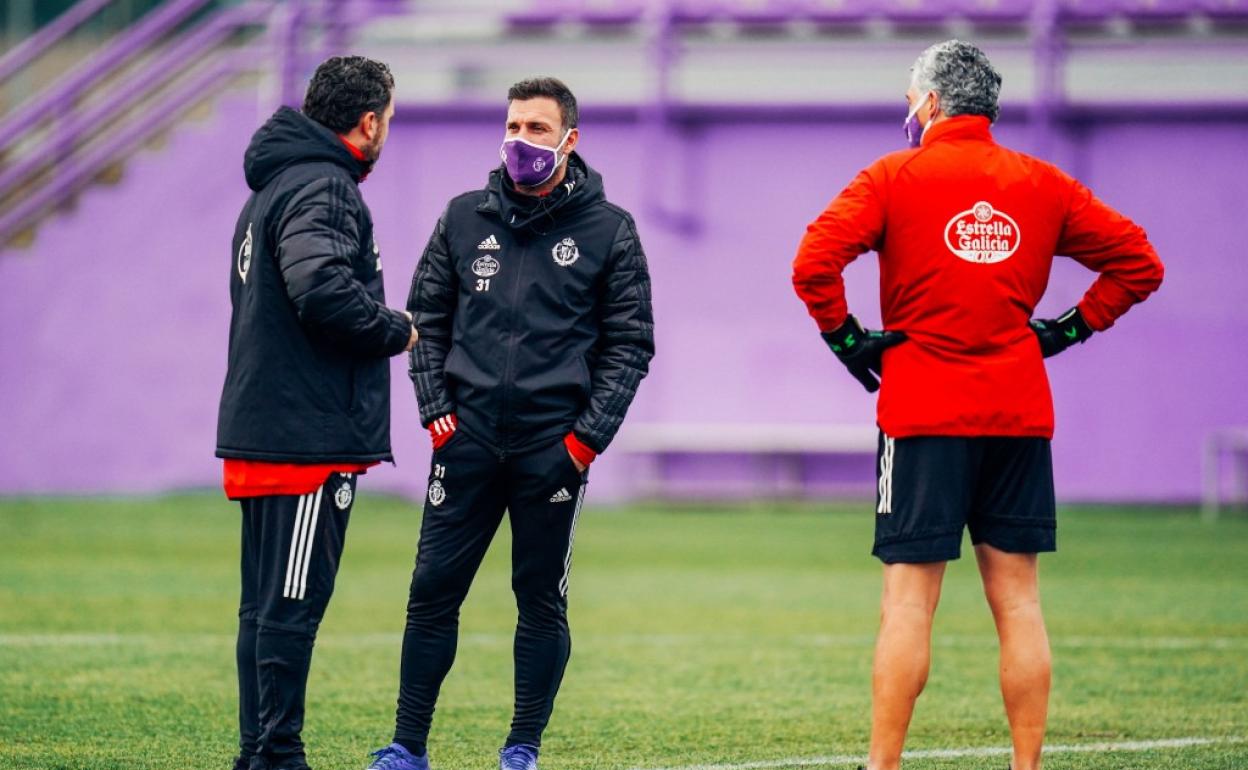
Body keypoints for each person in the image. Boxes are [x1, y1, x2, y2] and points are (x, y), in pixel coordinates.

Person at [791, 40, 1163, 770]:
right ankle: (1027, 766)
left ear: (930, 103)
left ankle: (882, 765)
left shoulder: (893, 176)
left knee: (906, 605)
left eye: (909, 95)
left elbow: (813, 262)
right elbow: (1139, 262)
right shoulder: (1042, 183)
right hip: (1018, 414)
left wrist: (848, 340)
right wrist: (1067, 329)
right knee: (1019, 603)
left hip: (922, 413)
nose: (907, 107)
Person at [365, 76, 655, 770]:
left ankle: (522, 748)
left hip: (551, 449)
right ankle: (407, 746)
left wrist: (583, 443)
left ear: (569, 141)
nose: (521, 140)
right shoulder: (463, 218)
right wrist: (437, 412)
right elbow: (425, 323)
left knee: (539, 600)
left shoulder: (609, 231)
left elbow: (630, 345)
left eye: (537, 129)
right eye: (514, 125)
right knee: (432, 592)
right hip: (463, 444)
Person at [216, 55, 417, 770]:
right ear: (368, 123)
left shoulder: (273, 186)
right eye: (388, 118)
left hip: (266, 426)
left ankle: (257, 754)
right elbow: (322, 291)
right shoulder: (324, 188)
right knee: (290, 609)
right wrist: (399, 328)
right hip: (304, 442)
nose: (386, 129)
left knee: (263, 610)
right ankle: (277, 756)